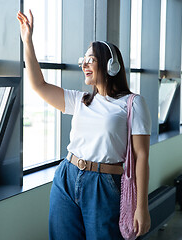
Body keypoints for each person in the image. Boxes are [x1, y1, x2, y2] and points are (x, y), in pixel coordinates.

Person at [17, 10, 151, 240]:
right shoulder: (80, 101)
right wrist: (27, 41)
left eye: (91, 59)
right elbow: (38, 85)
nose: (84, 65)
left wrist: (142, 207)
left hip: (104, 183)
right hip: (67, 176)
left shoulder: (132, 104)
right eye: (84, 60)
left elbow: (141, 157)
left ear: (111, 66)